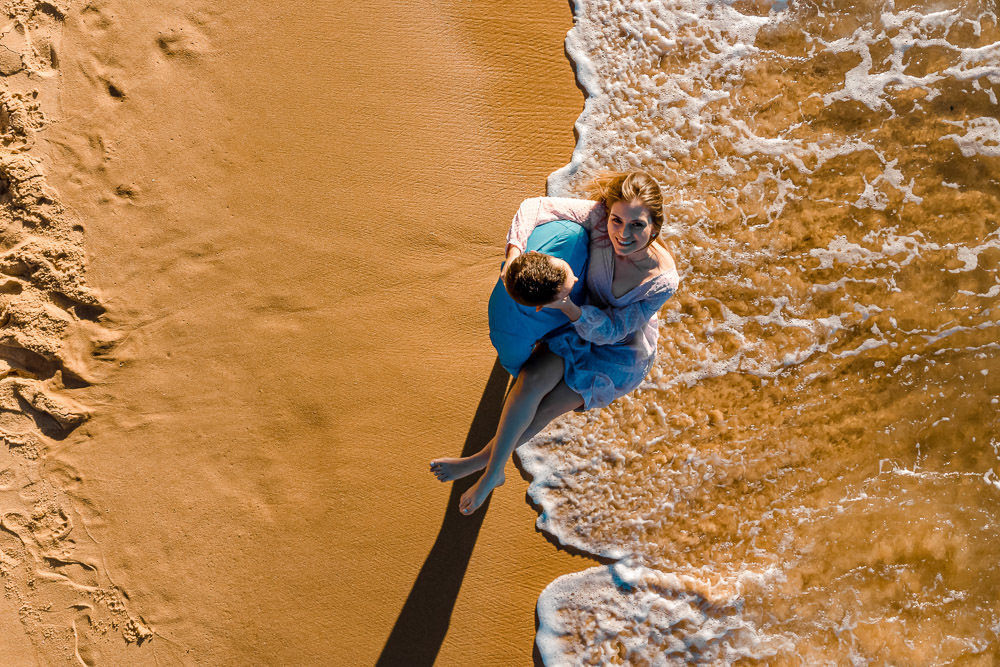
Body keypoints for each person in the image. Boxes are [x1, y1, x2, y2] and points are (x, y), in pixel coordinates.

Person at [430, 171, 680, 515]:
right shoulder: (598, 219)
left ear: (655, 226)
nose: (623, 234)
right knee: (530, 382)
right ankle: (492, 469)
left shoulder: (661, 281)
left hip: (617, 351)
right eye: (617, 220)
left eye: (638, 225)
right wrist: (515, 256)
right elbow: (534, 207)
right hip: (578, 324)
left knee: (548, 407)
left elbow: (615, 331)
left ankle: (483, 467)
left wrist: (568, 307)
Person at [488, 219, 590, 377]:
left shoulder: (569, 234)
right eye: (565, 295)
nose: (576, 279)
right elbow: (518, 370)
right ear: (540, 307)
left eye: (564, 265)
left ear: (534, 253)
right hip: (517, 324)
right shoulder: (511, 337)